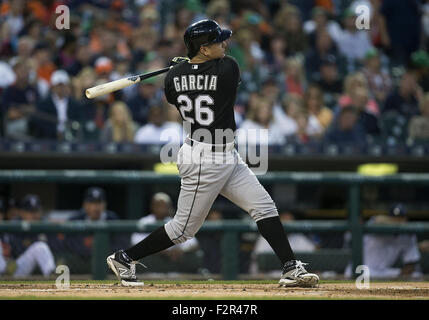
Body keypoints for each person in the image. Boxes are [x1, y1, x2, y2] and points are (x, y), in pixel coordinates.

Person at [106, 19, 319, 288]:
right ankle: (125, 258)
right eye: (218, 41)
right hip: (204, 159)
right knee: (183, 230)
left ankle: (291, 268)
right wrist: (189, 65)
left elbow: (177, 94)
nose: (225, 44)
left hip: (223, 153)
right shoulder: (228, 67)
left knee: (263, 206)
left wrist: (183, 68)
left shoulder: (172, 77)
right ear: (204, 49)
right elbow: (209, 79)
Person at [344, 204, 422, 279]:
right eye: (394, 218)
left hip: (384, 272)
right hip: (362, 269)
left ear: (406, 219)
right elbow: (377, 219)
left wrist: (398, 279)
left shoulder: (408, 236)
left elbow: (410, 264)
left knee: (417, 275)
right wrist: (397, 223)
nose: (397, 220)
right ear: (388, 218)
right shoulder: (378, 225)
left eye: (401, 218)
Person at [131, 193, 199, 271]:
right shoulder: (145, 222)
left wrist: (181, 250)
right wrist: (162, 251)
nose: (161, 208)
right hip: (151, 263)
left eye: (164, 206)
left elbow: (193, 243)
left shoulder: (174, 222)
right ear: (152, 206)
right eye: (158, 205)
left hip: (173, 262)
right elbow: (135, 242)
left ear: (169, 207)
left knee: (194, 256)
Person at [1, 194, 56, 278]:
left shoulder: (45, 225)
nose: (34, 215)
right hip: (8, 268)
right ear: (22, 212)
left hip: (20, 268)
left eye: (36, 211)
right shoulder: (13, 225)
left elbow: (55, 247)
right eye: (30, 211)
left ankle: (53, 278)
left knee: (40, 247)